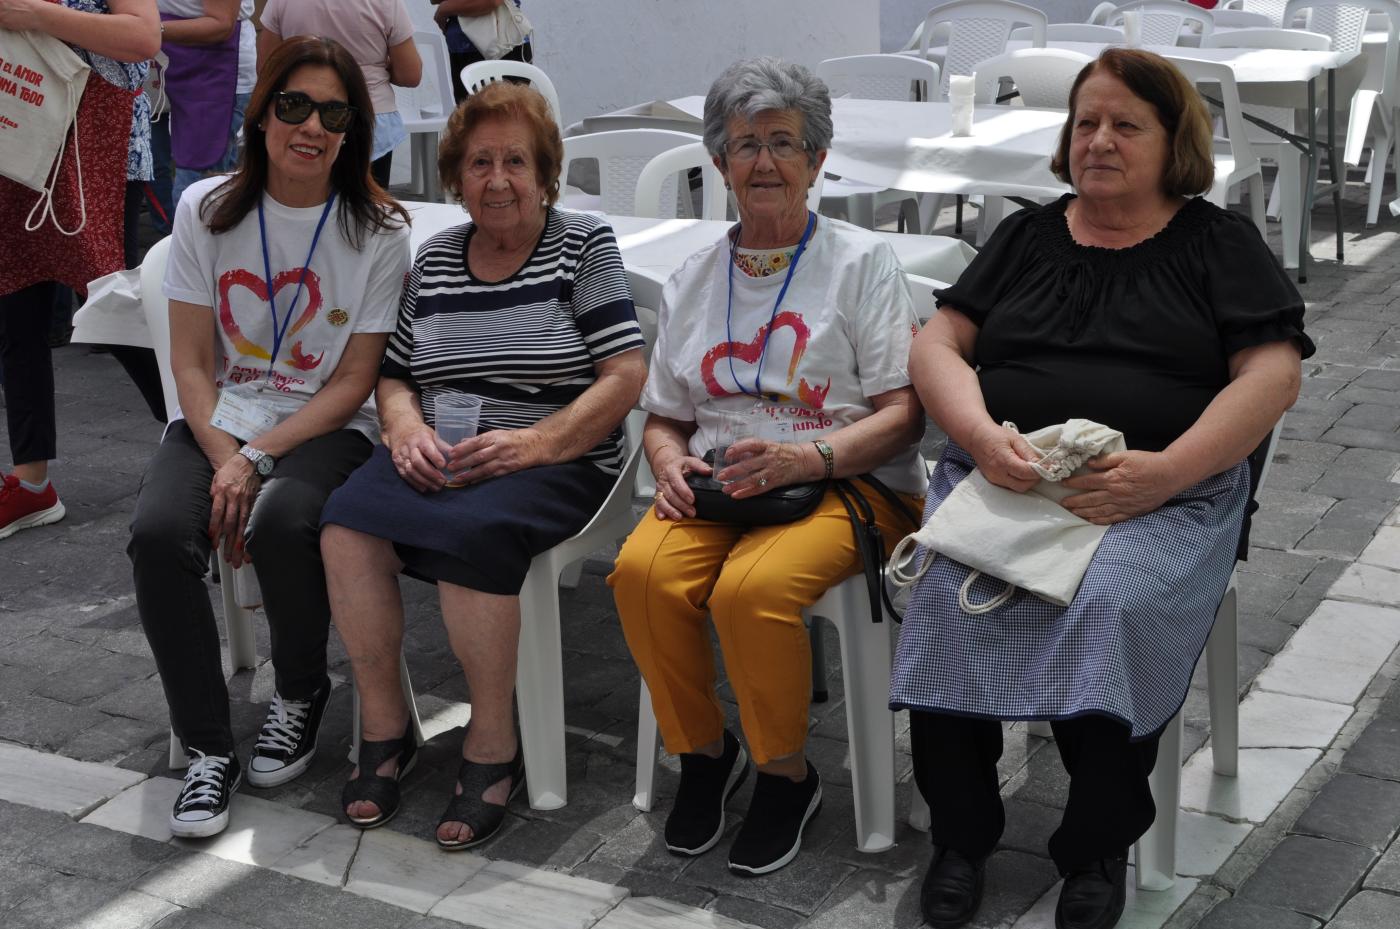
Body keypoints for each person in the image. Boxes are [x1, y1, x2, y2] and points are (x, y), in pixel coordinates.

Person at [894, 49, 1311, 929]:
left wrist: (1169, 471)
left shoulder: (1218, 243)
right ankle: (961, 835)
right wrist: (983, 440)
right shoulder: (1026, 236)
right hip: (1012, 476)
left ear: (1173, 141)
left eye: (1126, 124)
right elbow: (937, 345)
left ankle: (1095, 844)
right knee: (943, 592)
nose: (1100, 141)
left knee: (1109, 603)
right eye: (1086, 123)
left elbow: (1273, 375)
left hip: (1164, 492)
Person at [607, 58, 928, 877]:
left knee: (750, 591)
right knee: (641, 573)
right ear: (718, 163)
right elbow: (666, 414)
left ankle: (786, 773)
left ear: (817, 160)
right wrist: (669, 462)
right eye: (744, 144)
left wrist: (805, 456)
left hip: (848, 479)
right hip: (724, 486)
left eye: (783, 142)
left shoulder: (861, 263)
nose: (763, 162)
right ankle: (706, 754)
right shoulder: (692, 278)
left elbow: (904, 415)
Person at [320, 80, 645, 849]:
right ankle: (387, 725)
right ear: (456, 178)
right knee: (344, 528)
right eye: (479, 163)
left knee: (473, 537)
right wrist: (404, 427)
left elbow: (625, 373)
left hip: (558, 457)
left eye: (515, 162)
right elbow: (394, 374)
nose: (498, 180)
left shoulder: (583, 245)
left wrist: (536, 443)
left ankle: (493, 739)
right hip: (444, 448)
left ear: (545, 175)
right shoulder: (435, 258)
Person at [127, 35, 411, 839]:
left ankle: (300, 688)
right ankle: (208, 748)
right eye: (294, 105)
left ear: (353, 131)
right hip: (221, 417)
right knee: (157, 535)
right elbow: (188, 363)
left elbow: (355, 380)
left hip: (327, 420)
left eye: (334, 114)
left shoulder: (380, 229)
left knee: (284, 518)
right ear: (261, 114)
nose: (312, 126)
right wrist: (230, 458)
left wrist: (256, 460)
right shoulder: (205, 207)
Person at [0, 0, 159, 540]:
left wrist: (33, 14)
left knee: (111, 308)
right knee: (15, 314)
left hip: (96, 149)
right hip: (20, 135)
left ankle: (205, 440)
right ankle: (31, 482)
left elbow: (143, 38)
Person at [258, 0, 421, 188]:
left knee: (301, 200)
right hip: (370, 117)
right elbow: (410, 74)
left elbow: (267, 68)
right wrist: (375, 68)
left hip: (300, 116)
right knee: (365, 202)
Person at [151, 0, 257, 222]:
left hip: (214, 69)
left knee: (195, 188)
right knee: (206, 182)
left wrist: (148, 28)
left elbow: (221, 24)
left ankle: (189, 239)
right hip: (170, 60)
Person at [432, 0, 531, 102]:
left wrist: (444, 9)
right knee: (469, 109)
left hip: (502, 46)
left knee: (505, 109)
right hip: (461, 47)